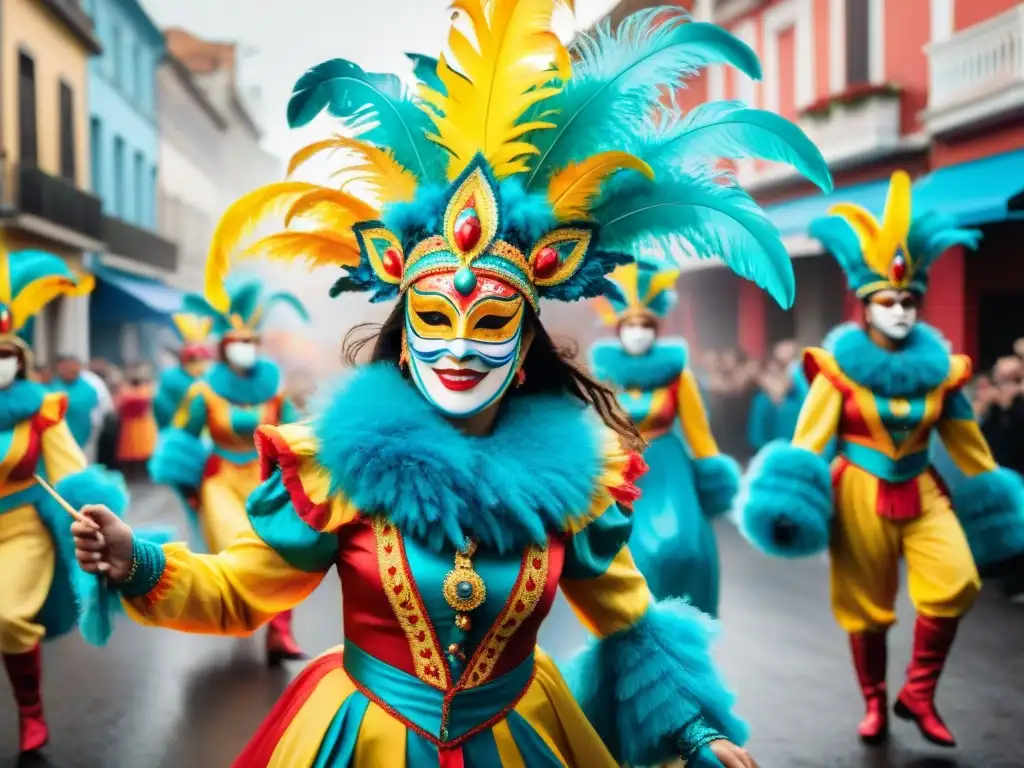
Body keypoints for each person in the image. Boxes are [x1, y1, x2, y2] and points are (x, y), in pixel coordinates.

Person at [63, 2, 839, 764]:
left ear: (526, 342)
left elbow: (631, 624)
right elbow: (240, 590)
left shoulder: (576, 490)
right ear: (404, 342)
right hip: (364, 737)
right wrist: (137, 558)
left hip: (520, 735)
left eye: (492, 321)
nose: (460, 346)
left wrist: (693, 735)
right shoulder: (335, 469)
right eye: (435, 318)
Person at [737, 170, 1024, 748]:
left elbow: (968, 443)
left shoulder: (945, 374)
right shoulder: (836, 372)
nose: (900, 310)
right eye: (887, 300)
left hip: (922, 489)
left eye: (909, 300)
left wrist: (994, 494)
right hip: (858, 491)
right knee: (865, 607)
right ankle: (873, 702)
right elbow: (808, 441)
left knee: (956, 581)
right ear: (866, 307)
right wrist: (789, 497)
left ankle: (918, 693)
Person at [0, 248, 130, 754]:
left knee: (9, 616)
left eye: (3, 353)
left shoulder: (42, 411)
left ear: (20, 359)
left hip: (19, 528)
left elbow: (73, 473)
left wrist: (93, 520)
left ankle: (30, 713)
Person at [147, 279, 310, 663]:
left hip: (265, 482)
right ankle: (242, 613)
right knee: (238, 548)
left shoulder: (276, 391)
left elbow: (295, 435)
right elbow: (180, 438)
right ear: (223, 347)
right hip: (218, 481)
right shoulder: (203, 392)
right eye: (238, 342)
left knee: (280, 552)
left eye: (251, 342)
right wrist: (185, 479)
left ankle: (280, 633)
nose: (245, 349)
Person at [589, 263, 745, 617]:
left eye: (646, 325)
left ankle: (682, 621)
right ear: (618, 329)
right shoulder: (604, 375)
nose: (639, 332)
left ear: (657, 329)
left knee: (683, 547)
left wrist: (712, 475)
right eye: (631, 324)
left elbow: (700, 435)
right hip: (622, 470)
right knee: (630, 558)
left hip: (668, 466)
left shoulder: (678, 375)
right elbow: (597, 427)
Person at [153, 314, 214, 428]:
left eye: (203, 359)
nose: (199, 364)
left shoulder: (211, 378)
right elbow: (161, 408)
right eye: (194, 360)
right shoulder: (171, 378)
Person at [49, 354, 100, 451]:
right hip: (55, 436)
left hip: (78, 435)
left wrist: (61, 400)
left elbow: (83, 404)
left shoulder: (87, 388)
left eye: (73, 369)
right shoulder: (52, 384)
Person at [115, 363, 158, 476]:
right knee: (131, 449)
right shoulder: (127, 390)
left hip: (144, 424)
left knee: (144, 448)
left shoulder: (147, 389)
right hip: (130, 424)